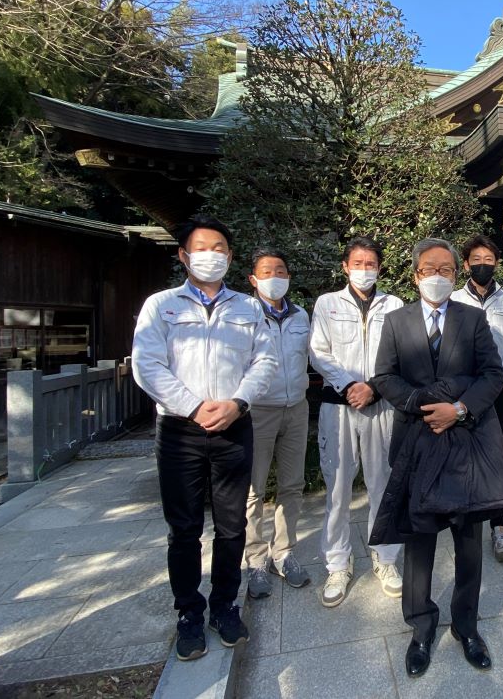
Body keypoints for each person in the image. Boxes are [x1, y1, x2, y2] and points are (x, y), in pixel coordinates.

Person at [132, 215, 276, 661]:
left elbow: (266, 362)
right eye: (202, 247)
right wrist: (193, 406)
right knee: (184, 529)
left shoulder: (248, 308)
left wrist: (237, 403)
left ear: (230, 257)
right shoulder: (161, 305)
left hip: (234, 426)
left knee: (232, 525)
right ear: (183, 255)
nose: (210, 255)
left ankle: (224, 605)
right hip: (180, 431)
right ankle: (188, 612)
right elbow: (147, 364)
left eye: (219, 248)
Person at [369, 237, 503, 677]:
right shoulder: (396, 321)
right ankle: (421, 628)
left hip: (465, 440)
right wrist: (419, 404)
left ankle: (466, 627)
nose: (438, 276)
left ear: (456, 274)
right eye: (430, 269)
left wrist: (460, 409)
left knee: (468, 541)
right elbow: (383, 376)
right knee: (419, 540)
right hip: (417, 440)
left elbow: (493, 372)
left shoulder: (472, 319)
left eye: (446, 270)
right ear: (416, 275)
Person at [308, 237, 404, 607]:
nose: (364, 269)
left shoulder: (393, 304)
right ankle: (337, 563)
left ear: (379, 267)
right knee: (337, 489)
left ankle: (386, 557)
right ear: (345, 267)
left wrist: (375, 388)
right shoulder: (327, 304)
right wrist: (350, 385)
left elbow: (398, 355)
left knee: (385, 484)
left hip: (382, 407)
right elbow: (318, 352)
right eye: (357, 263)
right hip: (340, 407)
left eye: (371, 263)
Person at [450, 234, 503, 562]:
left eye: (489, 260)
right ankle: (465, 516)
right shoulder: (454, 299)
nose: (483, 265)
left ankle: (499, 525)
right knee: (462, 452)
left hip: (498, 390)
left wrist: (500, 378)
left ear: (496, 263)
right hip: (463, 392)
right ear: (466, 264)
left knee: (498, 455)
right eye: (476, 260)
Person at [243, 248, 312, 599]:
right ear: (253, 279)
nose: (275, 276)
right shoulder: (242, 315)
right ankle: (255, 559)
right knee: (253, 490)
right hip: (257, 411)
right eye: (267, 271)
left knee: (292, 485)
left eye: (281, 270)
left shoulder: (301, 316)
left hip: (296, 407)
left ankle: (283, 553)